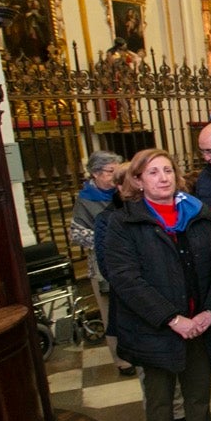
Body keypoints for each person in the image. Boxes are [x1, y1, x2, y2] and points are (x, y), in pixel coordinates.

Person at [103, 149, 211, 421]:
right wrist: (172, 319)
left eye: (167, 170)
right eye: (153, 172)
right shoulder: (124, 222)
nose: (163, 177)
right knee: (160, 401)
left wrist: (210, 311)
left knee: (200, 395)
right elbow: (126, 280)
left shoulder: (198, 215)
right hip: (155, 328)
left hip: (200, 324)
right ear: (138, 181)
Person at [70, 150, 131, 374]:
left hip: (127, 260)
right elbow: (76, 234)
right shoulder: (85, 200)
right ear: (95, 174)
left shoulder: (122, 194)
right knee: (110, 314)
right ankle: (122, 360)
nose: (115, 177)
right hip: (101, 266)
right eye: (110, 172)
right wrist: (106, 237)